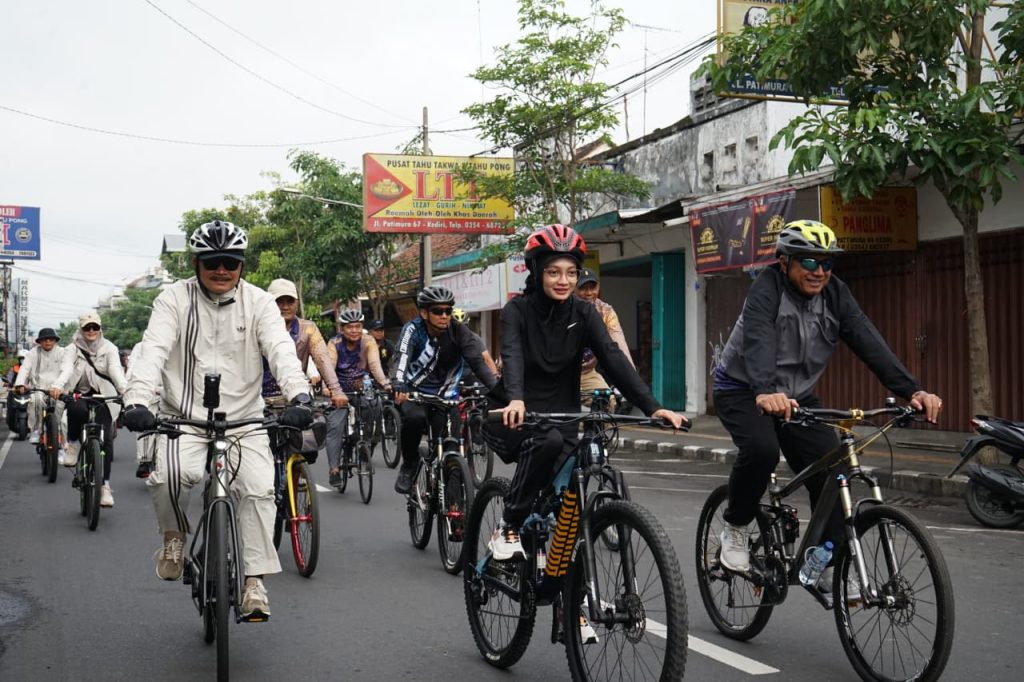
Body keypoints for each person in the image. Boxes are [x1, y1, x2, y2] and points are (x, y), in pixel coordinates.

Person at [712, 219, 942, 591]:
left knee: (834, 469)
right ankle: (736, 527)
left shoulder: (835, 293)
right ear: (785, 262)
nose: (820, 271)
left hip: (797, 396)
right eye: (809, 262)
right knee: (761, 450)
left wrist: (912, 390)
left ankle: (824, 561)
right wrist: (764, 390)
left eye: (827, 263)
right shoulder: (766, 288)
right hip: (742, 388)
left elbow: (868, 340)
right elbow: (758, 338)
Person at [120, 220, 313, 621]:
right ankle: (173, 538)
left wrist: (300, 394)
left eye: (230, 262)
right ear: (196, 263)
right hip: (182, 418)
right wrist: (137, 400)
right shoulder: (173, 299)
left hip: (244, 420)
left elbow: (281, 351)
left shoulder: (260, 302)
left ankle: (254, 581)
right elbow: (153, 350)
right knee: (170, 476)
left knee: (260, 490)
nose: (221, 270)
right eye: (212, 262)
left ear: (241, 264)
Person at [483, 224, 687, 562]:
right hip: (516, 414)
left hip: (563, 415)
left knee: (570, 502)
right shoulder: (515, 312)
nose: (563, 281)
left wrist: (653, 407)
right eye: (553, 272)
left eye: (570, 273)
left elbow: (613, 359)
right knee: (546, 444)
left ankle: (572, 604)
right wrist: (516, 397)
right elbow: (513, 355)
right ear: (537, 272)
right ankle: (508, 524)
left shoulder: (584, 313)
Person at [391, 285, 498, 494]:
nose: (444, 316)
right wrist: (399, 383)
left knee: (453, 452)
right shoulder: (412, 330)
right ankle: (409, 465)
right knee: (414, 419)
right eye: (438, 311)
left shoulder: (459, 331)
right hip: (416, 394)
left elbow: (478, 363)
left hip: (446, 398)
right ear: (424, 312)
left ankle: (456, 513)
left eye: (448, 311)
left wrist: (501, 392)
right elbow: (401, 357)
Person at [50, 311, 128, 508]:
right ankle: (74, 443)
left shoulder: (110, 348)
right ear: (81, 329)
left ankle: (105, 487)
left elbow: (116, 371)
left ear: (100, 328)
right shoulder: (71, 349)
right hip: (79, 392)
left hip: (104, 395)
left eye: (95, 327)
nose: (91, 331)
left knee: (107, 440)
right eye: (87, 328)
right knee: (76, 411)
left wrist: (126, 391)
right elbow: (66, 369)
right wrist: (58, 385)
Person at [323, 309, 390, 487]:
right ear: (341, 329)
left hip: (362, 386)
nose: (354, 330)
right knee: (335, 426)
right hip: (339, 389)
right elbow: (328, 368)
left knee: (375, 406)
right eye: (349, 327)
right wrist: (328, 389)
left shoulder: (369, 341)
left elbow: (375, 365)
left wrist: (384, 383)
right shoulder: (334, 343)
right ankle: (334, 469)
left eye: (358, 326)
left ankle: (363, 444)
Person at [262, 277, 347, 409]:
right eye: (279, 302)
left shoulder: (308, 328)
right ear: (269, 303)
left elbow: (322, 359)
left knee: (317, 425)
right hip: (261, 400)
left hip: (298, 397)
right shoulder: (258, 326)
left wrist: (336, 390)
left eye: (290, 301)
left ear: (297, 303)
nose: (285, 307)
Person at [574, 268, 634, 408]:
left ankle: (593, 430)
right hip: (560, 373)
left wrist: (629, 379)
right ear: (573, 289)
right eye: (583, 288)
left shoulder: (605, 311)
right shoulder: (564, 307)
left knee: (607, 402)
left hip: (587, 372)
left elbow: (619, 344)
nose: (589, 293)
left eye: (592, 287)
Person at [15, 328, 66, 452]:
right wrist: (20, 384)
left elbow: (68, 370)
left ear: (55, 340)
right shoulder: (32, 353)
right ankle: (36, 430)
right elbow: (24, 369)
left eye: (51, 339)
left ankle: (59, 434)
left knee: (62, 409)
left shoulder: (63, 352)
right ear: (40, 341)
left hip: (58, 389)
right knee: (35, 400)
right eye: (44, 339)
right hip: (39, 388)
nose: (48, 341)